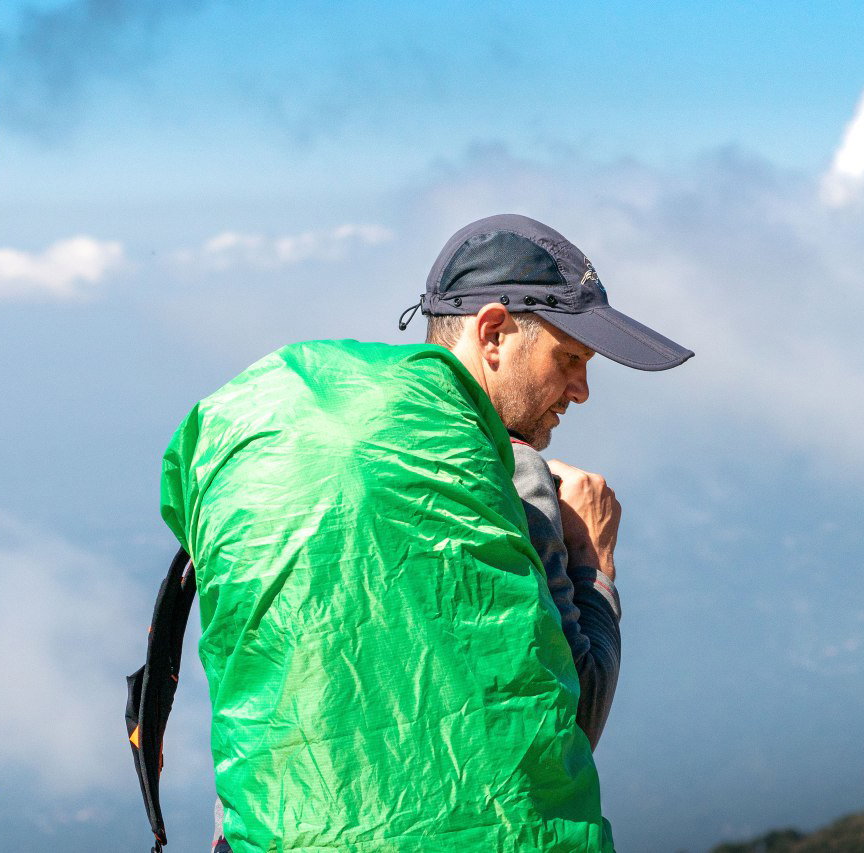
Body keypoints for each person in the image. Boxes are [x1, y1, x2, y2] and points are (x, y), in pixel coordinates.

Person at [169, 213, 692, 852]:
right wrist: (594, 564)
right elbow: (563, 725)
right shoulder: (504, 475)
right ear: (493, 333)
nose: (581, 391)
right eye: (571, 358)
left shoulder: (281, 444)